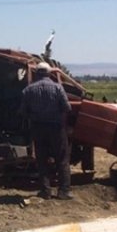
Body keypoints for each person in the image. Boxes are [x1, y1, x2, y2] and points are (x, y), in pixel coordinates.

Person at [18, 61, 72, 200]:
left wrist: (34, 116)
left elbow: (23, 112)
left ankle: (45, 191)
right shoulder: (58, 88)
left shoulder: (28, 90)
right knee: (62, 159)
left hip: (38, 128)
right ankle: (63, 191)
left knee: (41, 160)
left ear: (36, 73)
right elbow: (67, 108)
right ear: (49, 73)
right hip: (56, 128)